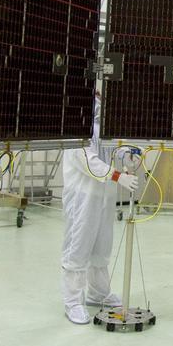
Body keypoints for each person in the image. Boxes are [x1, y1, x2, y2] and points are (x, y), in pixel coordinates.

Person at [61, 139, 140, 325]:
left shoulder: (103, 123)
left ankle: (98, 294)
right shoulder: (78, 123)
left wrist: (126, 153)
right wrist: (118, 176)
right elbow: (86, 161)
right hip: (82, 194)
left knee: (102, 245)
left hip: (104, 194)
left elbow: (111, 148)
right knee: (78, 246)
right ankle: (72, 302)